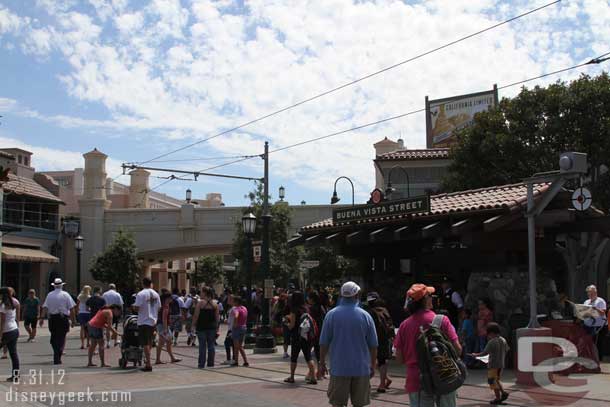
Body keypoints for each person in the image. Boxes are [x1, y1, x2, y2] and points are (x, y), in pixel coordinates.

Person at [394, 283, 462, 407]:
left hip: (417, 380)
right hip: (444, 375)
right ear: (426, 299)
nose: (433, 298)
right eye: (431, 295)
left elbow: (399, 359)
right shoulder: (442, 320)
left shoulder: (404, 325)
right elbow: (457, 349)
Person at [319, 282, 378, 407]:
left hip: (339, 367)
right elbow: (373, 344)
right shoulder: (366, 316)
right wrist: (372, 365)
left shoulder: (331, 315)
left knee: (337, 403)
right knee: (359, 404)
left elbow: (324, 342)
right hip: (361, 368)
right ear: (357, 295)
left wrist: (322, 363)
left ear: (341, 295)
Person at [469, 322, 509, 405]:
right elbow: (507, 349)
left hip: (493, 365)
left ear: (491, 333)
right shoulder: (503, 339)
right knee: (496, 380)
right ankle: (503, 393)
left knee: (492, 381)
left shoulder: (492, 341)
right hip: (501, 364)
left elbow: (484, 353)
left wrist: (475, 355)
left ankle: (498, 398)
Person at [39, 278, 76, 365]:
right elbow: (72, 308)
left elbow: (45, 307)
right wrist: (73, 320)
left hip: (52, 318)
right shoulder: (66, 295)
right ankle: (58, 353)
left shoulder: (49, 295)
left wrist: (41, 318)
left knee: (54, 337)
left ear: (54, 286)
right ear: (62, 285)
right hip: (62, 318)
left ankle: (57, 355)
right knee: (61, 337)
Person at [284, 291, 317, 384]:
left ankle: (291, 377)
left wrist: (286, 323)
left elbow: (292, 325)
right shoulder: (306, 308)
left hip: (296, 336)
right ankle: (313, 377)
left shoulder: (294, 309)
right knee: (308, 356)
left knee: (294, 357)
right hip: (305, 335)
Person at [365, 292, 394, 393]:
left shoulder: (369, 312)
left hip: (373, 340)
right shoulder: (384, 310)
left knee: (369, 361)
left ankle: (366, 384)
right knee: (382, 361)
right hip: (385, 339)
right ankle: (383, 383)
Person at [133, 277, 161, 372]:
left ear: (143, 283)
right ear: (151, 283)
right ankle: (147, 360)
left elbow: (136, 308)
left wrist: (133, 307)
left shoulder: (141, 294)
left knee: (145, 343)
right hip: (153, 321)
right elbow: (159, 307)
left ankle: (148, 364)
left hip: (143, 321)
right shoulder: (156, 294)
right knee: (149, 342)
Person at [192, 286, 220, 368]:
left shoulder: (200, 303)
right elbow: (217, 318)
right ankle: (211, 363)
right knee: (211, 346)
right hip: (212, 327)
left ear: (204, 293)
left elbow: (196, 315)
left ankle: (201, 363)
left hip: (201, 327)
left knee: (202, 346)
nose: (200, 293)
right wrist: (217, 328)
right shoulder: (215, 304)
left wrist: (193, 325)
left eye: (201, 292)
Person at [155, 288, 181, 365]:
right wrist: (166, 329)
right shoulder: (165, 307)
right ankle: (160, 359)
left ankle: (169, 358)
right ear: (167, 299)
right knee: (165, 342)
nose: (171, 299)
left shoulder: (163, 306)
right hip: (163, 326)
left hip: (161, 325)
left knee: (165, 342)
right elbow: (164, 319)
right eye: (170, 298)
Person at [0, 287, 20, 381]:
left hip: (6, 331)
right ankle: (16, 376)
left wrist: (0, 335)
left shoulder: (3, 305)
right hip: (14, 329)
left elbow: (2, 322)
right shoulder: (14, 302)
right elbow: (17, 317)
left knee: (13, 353)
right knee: (13, 353)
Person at [583, 285, 608, 359]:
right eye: (588, 292)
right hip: (588, 326)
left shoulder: (600, 301)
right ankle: (590, 358)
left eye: (591, 292)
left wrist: (595, 308)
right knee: (589, 343)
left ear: (595, 292)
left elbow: (603, 313)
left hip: (598, 326)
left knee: (597, 344)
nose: (589, 294)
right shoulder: (586, 301)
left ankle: (598, 360)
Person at [308, 290, 328, 380]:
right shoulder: (322, 307)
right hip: (322, 331)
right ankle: (321, 372)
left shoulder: (312, 308)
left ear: (312, 299)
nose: (307, 299)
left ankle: (317, 373)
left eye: (308, 297)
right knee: (318, 353)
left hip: (314, 333)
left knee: (311, 353)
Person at [102, 283, 124, 348]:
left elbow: (102, 303)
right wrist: (121, 313)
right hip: (115, 312)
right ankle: (115, 341)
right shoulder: (117, 294)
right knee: (115, 326)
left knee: (108, 327)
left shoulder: (104, 294)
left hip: (106, 312)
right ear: (115, 288)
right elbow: (121, 304)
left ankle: (108, 342)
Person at [230, 295, 249, 367]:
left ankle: (236, 361)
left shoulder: (236, 309)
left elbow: (236, 316)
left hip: (237, 328)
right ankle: (245, 361)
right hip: (243, 327)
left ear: (236, 302)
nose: (233, 302)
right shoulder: (244, 308)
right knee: (240, 346)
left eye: (233, 301)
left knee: (236, 346)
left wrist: (235, 324)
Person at [221, 294, 236, 365]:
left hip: (232, 329)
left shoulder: (233, 309)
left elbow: (235, 318)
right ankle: (233, 358)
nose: (228, 300)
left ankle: (230, 359)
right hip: (232, 328)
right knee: (232, 343)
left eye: (229, 299)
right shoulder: (232, 308)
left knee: (227, 343)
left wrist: (227, 321)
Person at [76, 285, 92, 350]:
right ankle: (88, 342)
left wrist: (77, 312)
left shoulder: (79, 296)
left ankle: (82, 344)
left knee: (82, 328)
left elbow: (77, 305)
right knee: (88, 329)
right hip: (88, 313)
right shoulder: (89, 297)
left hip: (81, 312)